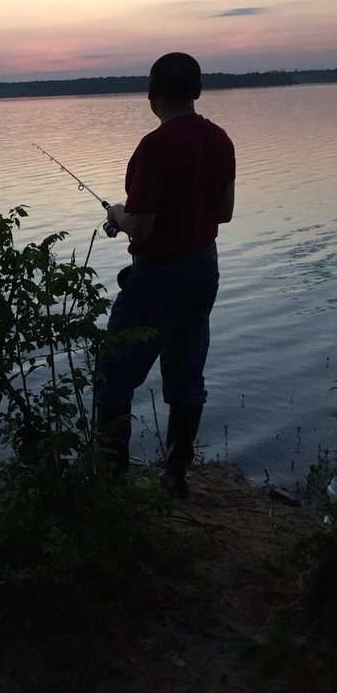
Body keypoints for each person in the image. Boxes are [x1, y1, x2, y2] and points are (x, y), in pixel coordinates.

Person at [94, 52, 235, 498]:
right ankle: (175, 473)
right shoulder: (220, 139)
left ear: (151, 92)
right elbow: (225, 213)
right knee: (186, 373)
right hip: (204, 270)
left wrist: (118, 214)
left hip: (157, 277)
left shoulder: (154, 147)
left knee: (112, 375)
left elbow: (142, 225)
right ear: (197, 91)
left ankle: (111, 480)